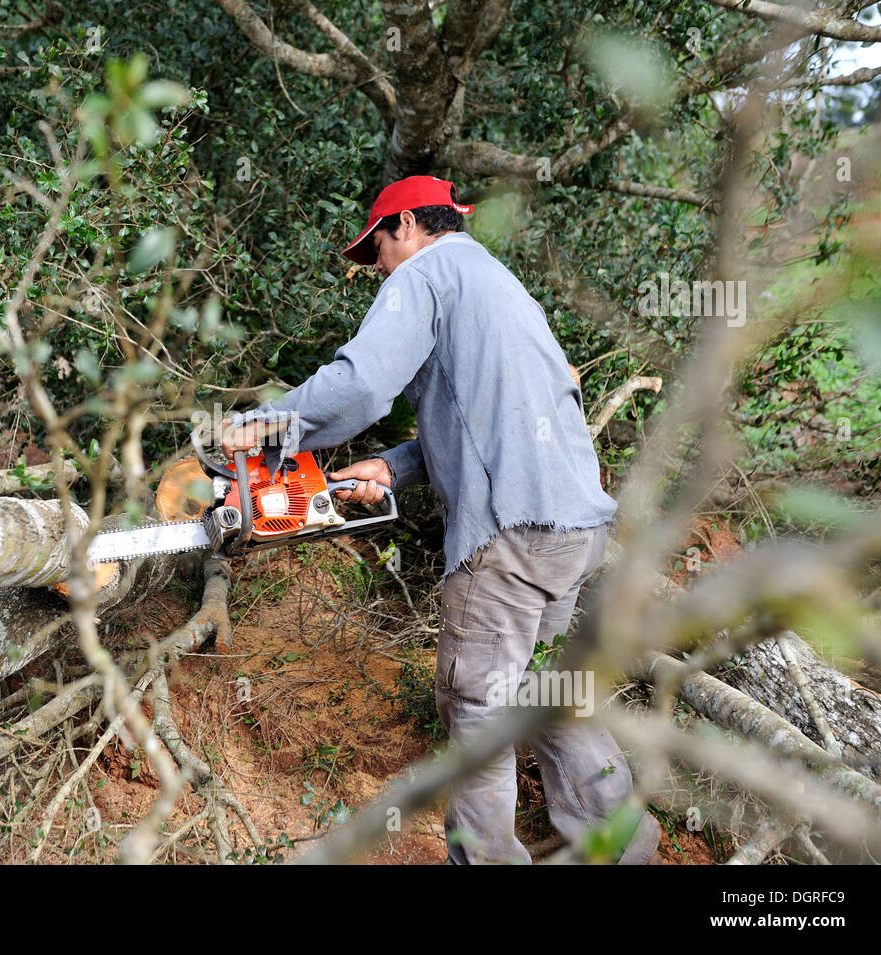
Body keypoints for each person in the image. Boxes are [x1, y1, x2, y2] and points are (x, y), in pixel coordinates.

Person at [219, 175, 660, 864]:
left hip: (509, 536)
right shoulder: (497, 284)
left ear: (404, 226)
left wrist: (266, 424)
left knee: (477, 708)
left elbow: (363, 383)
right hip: (573, 530)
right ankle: (623, 846)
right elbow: (505, 414)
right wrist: (394, 467)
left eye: (379, 252)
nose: (379, 271)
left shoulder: (422, 274)